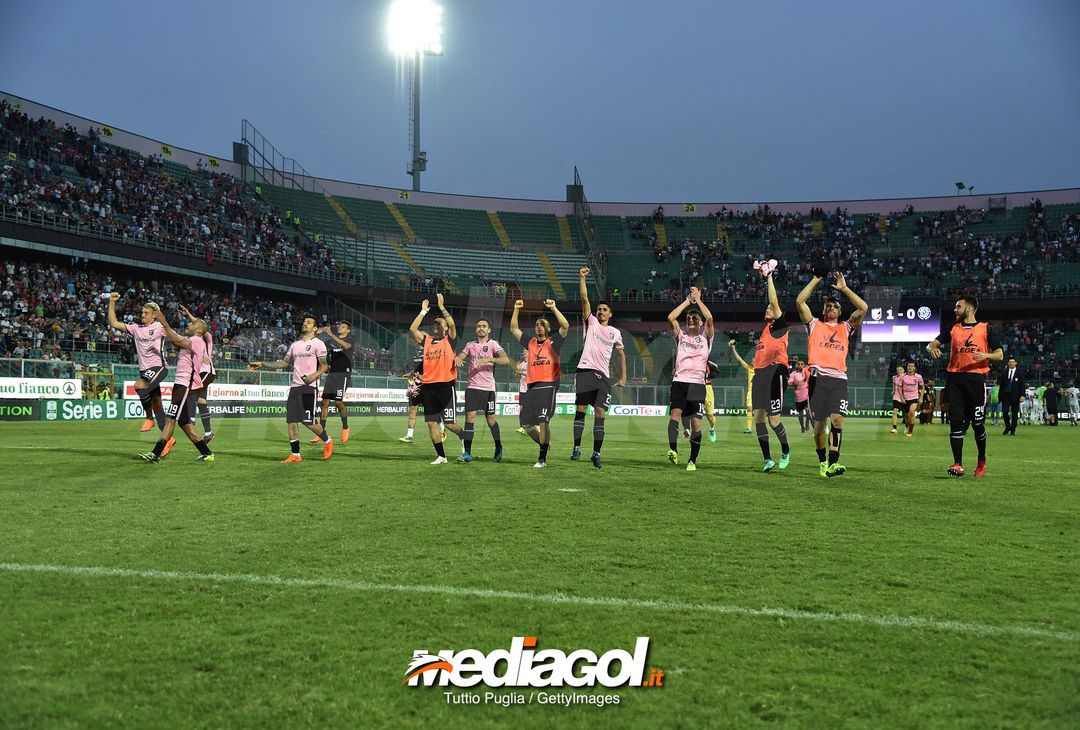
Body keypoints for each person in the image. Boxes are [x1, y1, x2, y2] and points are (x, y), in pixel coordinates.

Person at [795, 269, 868, 478]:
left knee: (837, 421)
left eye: (835, 306)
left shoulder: (846, 327)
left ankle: (833, 462)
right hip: (818, 378)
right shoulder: (814, 324)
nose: (831, 307)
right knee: (819, 425)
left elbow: (863, 307)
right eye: (828, 305)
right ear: (824, 310)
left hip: (838, 380)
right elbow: (800, 302)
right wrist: (816, 279)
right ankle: (822, 460)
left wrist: (844, 289)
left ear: (840, 312)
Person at [926, 295, 1004, 477]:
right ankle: (957, 464)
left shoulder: (986, 329)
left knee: (977, 424)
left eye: (958, 307)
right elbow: (930, 345)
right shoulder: (953, 329)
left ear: (968, 309)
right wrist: (932, 349)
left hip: (975, 381)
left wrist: (985, 355)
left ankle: (981, 460)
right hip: (954, 380)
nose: (955, 310)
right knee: (956, 423)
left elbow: (999, 355)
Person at [247, 315, 333, 463]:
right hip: (295, 387)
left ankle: (327, 440)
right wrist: (262, 363)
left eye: (309, 322)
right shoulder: (295, 345)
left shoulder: (318, 344)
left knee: (308, 421)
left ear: (315, 328)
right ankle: (295, 454)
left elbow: (325, 366)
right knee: (291, 421)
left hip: (309, 387)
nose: (304, 324)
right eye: (304, 322)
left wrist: (314, 375)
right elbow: (283, 364)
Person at [139, 310, 214, 463]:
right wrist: (164, 329)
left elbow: (179, 342)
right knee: (184, 422)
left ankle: (155, 454)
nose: (188, 323)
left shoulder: (197, 340)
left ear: (199, 329)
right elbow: (176, 341)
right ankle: (207, 453)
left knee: (170, 419)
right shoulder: (191, 339)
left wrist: (164, 323)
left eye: (192, 323)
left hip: (185, 384)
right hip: (181, 383)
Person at [571, 267, 627, 469]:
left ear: (610, 314)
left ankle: (596, 453)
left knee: (601, 414)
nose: (600, 311)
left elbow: (621, 354)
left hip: (603, 376)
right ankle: (576, 447)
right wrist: (582, 278)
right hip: (585, 370)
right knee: (581, 409)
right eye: (599, 309)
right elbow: (585, 300)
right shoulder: (591, 322)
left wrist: (623, 377)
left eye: (604, 309)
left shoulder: (615, 333)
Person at [510, 298, 570, 468]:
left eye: (542, 324)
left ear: (547, 329)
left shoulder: (554, 342)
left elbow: (565, 326)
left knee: (543, 421)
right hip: (531, 387)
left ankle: (542, 459)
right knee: (527, 425)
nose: (538, 326)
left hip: (548, 385)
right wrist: (516, 309)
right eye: (537, 324)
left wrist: (554, 308)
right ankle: (545, 445)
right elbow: (514, 328)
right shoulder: (530, 343)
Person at [409, 293, 467, 464]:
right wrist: (423, 312)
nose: (437, 325)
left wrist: (442, 308)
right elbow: (413, 330)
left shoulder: (450, 340)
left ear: (446, 328)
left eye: (440, 323)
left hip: (446, 386)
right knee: (431, 424)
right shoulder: (427, 341)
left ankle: (463, 436)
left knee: (449, 424)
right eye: (435, 323)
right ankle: (441, 456)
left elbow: (452, 324)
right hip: (429, 387)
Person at [107, 292, 171, 444]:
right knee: (158, 407)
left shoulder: (160, 327)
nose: (142, 314)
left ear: (154, 315)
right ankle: (167, 441)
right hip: (145, 370)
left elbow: (175, 337)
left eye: (146, 313)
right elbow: (114, 323)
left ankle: (149, 419)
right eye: (142, 312)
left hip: (158, 367)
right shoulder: (136, 328)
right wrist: (112, 302)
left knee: (139, 385)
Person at [666, 287, 714, 471]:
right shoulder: (681, 336)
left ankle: (692, 461)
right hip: (679, 381)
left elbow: (709, 318)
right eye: (689, 319)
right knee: (675, 416)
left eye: (695, 318)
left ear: (701, 323)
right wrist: (687, 302)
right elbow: (671, 318)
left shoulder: (706, 337)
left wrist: (698, 300)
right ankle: (673, 450)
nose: (691, 320)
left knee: (695, 423)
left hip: (697, 384)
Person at [454, 318, 511, 463]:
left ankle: (498, 446)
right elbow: (460, 356)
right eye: (478, 326)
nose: (481, 328)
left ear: (489, 330)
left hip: (488, 389)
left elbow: (506, 360)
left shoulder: (493, 344)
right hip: (472, 387)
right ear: (476, 329)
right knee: (470, 419)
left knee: (491, 420)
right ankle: (467, 452)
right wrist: (457, 359)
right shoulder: (470, 345)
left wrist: (489, 359)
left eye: (484, 326)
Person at [312, 321, 353, 445]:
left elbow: (346, 346)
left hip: (343, 374)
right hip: (332, 374)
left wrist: (330, 334)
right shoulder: (330, 342)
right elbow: (320, 347)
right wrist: (317, 332)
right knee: (324, 402)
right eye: (340, 326)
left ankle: (345, 427)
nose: (341, 328)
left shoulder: (351, 339)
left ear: (348, 330)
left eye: (344, 327)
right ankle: (321, 433)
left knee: (338, 402)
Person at [179, 304, 215, 443]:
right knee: (201, 400)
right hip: (200, 372)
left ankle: (191, 421)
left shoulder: (207, 338)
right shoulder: (194, 340)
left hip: (206, 371)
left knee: (191, 393)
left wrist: (189, 315)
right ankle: (208, 432)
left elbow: (201, 326)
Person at [399, 347, 425, 443]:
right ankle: (409, 436)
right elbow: (416, 369)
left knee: (432, 412)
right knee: (412, 411)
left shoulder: (430, 351)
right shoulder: (417, 353)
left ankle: (442, 429)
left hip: (426, 385)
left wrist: (423, 377)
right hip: (415, 386)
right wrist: (409, 374)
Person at [997, 356, 1025, 435]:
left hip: (1016, 396)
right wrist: (1000, 396)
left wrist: (1022, 395)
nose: (1011, 363)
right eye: (1010, 362)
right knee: (1005, 411)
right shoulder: (1005, 372)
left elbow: (1022, 385)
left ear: (1015, 363)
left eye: (1013, 362)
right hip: (1006, 395)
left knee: (1014, 413)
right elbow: (1002, 385)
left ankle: (1013, 429)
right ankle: (1007, 427)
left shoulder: (1020, 373)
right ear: (1008, 363)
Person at [898, 361, 925, 437]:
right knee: (906, 415)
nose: (910, 367)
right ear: (907, 367)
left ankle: (910, 431)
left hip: (914, 397)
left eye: (912, 366)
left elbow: (922, 387)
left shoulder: (918, 376)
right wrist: (901, 397)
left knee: (912, 412)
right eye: (909, 366)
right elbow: (899, 387)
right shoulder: (902, 377)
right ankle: (907, 425)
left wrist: (921, 398)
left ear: (914, 368)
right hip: (905, 398)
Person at [788, 357, 811, 433]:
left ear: (804, 365)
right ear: (796, 365)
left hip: (807, 395)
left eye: (802, 364)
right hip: (798, 396)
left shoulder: (807, 372)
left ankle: (807, 422)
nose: (800, 365)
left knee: (808, 412)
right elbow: (790, 382)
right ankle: (802, 426)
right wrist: (794, 383)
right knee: (800, 414)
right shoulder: (793, 374)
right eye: (799, 364)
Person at [889, 365, 905, 434]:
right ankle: (894, 428)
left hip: (904, 397)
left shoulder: (906, 377)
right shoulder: (894, 377)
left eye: (900, 370)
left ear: (903, 370)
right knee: (895, 411)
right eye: (897, 370)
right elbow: (894, 384)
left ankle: (907, 427)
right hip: (896, 397)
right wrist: (893, 390)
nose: (899, 371)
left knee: (906, 413)